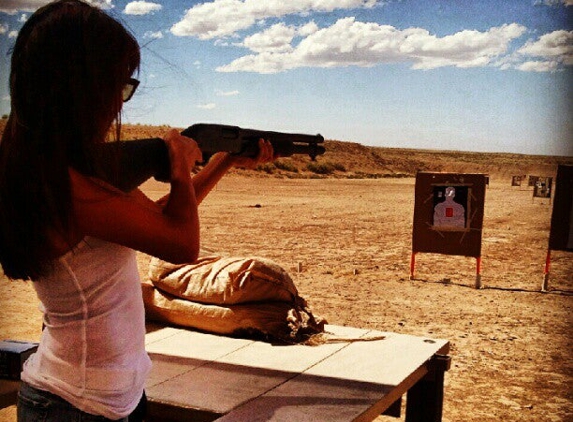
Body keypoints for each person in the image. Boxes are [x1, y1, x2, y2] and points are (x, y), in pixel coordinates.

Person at [0, 1, 274, 421]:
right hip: (73, 405)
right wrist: (179, 168)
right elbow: (181, 244)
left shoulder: (55, 172)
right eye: (119, 86)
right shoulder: (69, 186)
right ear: (82, 88)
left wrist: (223, 161)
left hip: (106, 399)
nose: (119, 102)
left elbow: (158, 220)